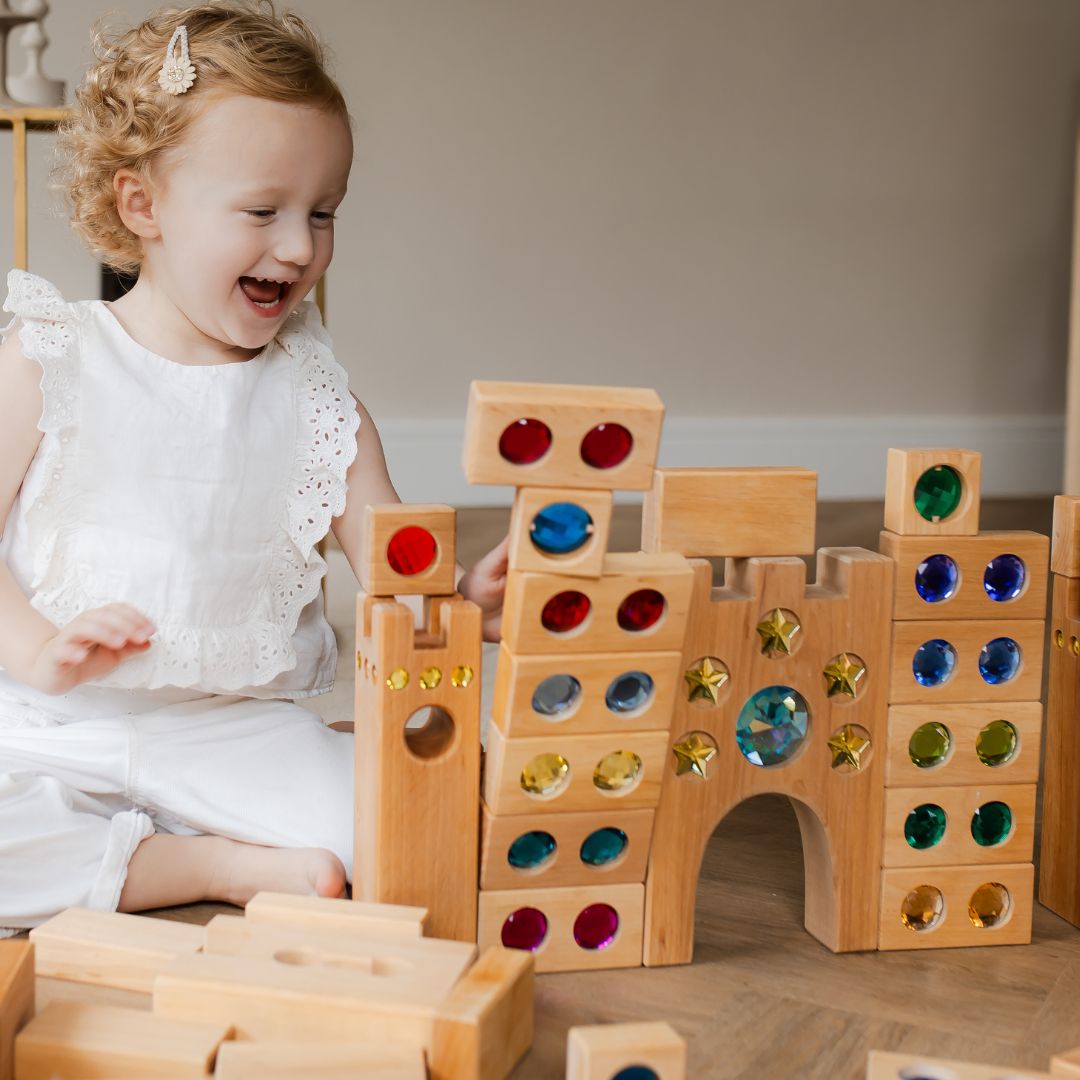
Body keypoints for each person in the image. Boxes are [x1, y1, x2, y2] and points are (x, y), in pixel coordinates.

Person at [0, 2, 507, 937]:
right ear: (141, 205)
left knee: (423, 832)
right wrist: (38, 648)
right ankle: (200, 862)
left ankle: (204, 823)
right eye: (263, 211)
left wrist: (466, 604)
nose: (298, 247)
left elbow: (400, 576)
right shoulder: (50, 358)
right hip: (43, 725)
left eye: (322, 213)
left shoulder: (320, 405)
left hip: (231, 729)